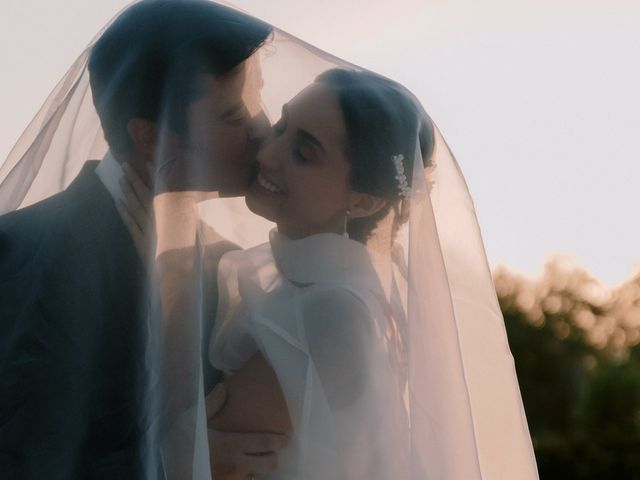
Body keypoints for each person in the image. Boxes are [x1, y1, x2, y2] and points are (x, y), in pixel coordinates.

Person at [121, 68, 540, 478]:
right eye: (281, 126)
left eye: (303, 153)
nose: (266, 154)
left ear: (363, 202)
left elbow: (198, 457)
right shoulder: (334, 291)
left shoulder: (331, 311)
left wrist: (166, 271)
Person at [0, 1, 288, 478]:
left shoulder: (229, 267)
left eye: (258, 99)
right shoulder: (16, 253)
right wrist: (166, 466)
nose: (264, 128)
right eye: (235, 114)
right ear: (151, 137)